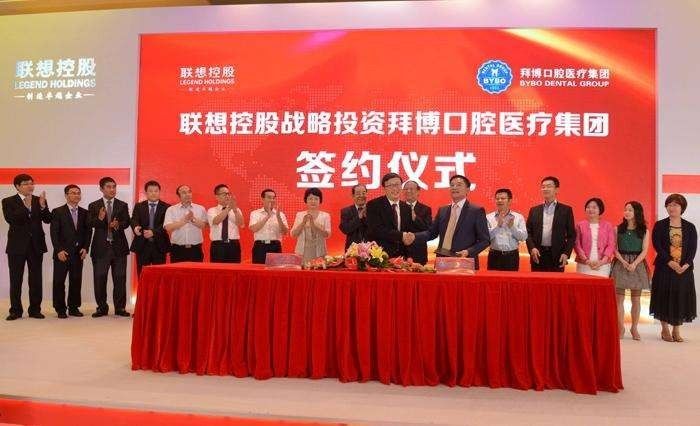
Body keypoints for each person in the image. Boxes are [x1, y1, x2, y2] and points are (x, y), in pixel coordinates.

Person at [2, 173, 52, 320]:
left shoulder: (39, 200)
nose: (30, 186)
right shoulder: (8, 201)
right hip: (16, 246)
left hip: (36, 245)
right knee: (16, 279)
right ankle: (15, 310)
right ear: (17, 186)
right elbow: (11, 219)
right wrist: (27, 206)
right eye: (26, 183)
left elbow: (48, 219)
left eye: (31, 183)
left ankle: (35, 310)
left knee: (36, 279)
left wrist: (42, 207)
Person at [412, 175, 489, 269]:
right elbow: (431, 233)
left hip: (464, 261)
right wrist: (414, 237)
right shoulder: (443, 210)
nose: (454, 187)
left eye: (459, 185)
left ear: (468, 190)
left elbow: (485, 240)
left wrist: (468, 252)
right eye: (452, 185)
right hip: (442, 261)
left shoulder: (476, 211)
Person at [650, 193, 697, 343]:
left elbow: (693, 248)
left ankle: (676, 329)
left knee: (680, 297)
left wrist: (686, 265)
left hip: (684, 269)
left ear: (682, 207)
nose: (672, 208)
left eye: (675, 205)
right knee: (663, 296)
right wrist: (670, 262)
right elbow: (657, 245)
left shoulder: (690, 227)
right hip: (664, 267)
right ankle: (664, 329)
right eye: (669, 205)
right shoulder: (660, 225)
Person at [87, 177, 130, 317]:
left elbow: (126, 222)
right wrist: (100, 218)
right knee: (100, 278)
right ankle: (101, 307)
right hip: (100, 248)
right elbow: (89, 223)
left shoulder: (122, 205)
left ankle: (120, 308)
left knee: (120, 278)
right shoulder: (94, 205)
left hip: (119, 248)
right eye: (109, 187)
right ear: (101, 189)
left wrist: (118, 225)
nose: (112, 189)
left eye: (114, 187)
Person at [610, 201, 650, 340]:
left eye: (630, 210)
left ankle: (634, 328)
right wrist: (623, 261)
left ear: (637, 212)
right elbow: (614, 249)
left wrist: (634, 263)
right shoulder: (617, 229)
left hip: (637, 265)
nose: (627, 212)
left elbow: (645, 250)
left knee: (636, 299)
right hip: (620, 263)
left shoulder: (644, 230)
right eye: (625, 209)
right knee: (619, 299)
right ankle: (620, 328)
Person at [50, 184, 90, 318]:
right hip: (62, 253)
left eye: (78, 193)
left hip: (78, 253)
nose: (76, 195)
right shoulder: (57, 211)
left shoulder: (85, 212)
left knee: (76, 281)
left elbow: (88, 232)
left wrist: (86, 247)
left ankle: (73, 307)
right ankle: (60, 308)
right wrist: (58, 250)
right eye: (73, 193)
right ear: (66, 195)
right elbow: (54, 233)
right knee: (59, 282)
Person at [526, 176, 576, 272]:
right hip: (537, 255)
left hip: (558, 256)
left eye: (549, 186)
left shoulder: (566, 210)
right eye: (543, 187)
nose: (545, 189)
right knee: (537, 281)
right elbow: (528, 232)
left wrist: (566, 253)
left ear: (557, 190)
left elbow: (571, 235)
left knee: (555, 281)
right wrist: (532, 248)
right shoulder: (534, 210)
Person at [366, 173, 414, 258]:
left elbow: (407, 231)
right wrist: (401, 236)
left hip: (401, 257)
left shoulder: (406, 207)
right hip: (380, 256)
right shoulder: (373, 205)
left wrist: (409, 238)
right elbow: (376, 230)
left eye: (397, 185)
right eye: (391, 186)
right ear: (384, 188)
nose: (395, 188)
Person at [130, 180, 170, 275]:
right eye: (151, 191)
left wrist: (153, 232)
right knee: (142, 274)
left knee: (159, 275)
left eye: (156, 191)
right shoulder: (139, 206)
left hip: (159, 245)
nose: (153, 193)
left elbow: (166, 224)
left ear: (159, 192)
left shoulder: (167, 207)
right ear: (146, 192)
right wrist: (135, 227)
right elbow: (134, 219)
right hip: (142, 245)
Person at [485, 188, 527, 271]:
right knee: (493, 278)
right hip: (494, 255)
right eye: (497, 198)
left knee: (511, 279)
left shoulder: (518, 217)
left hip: (512, 256)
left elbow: (523, 237)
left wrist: (512, 227)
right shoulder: (488, 217)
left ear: (510, 201)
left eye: (503, 198)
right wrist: (498, 226)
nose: (499, 201)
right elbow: (486, 238)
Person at [163, 185, 207, 263]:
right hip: (177, 250)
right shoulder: (171, 209)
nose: (187, 194)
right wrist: (184, 221)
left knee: (196, 271)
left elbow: (205, 226)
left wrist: (193, 219)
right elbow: (168, 227)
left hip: (195, 250)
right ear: (179, 195)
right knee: (177, 271)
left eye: (189, 192)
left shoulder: (200, 208)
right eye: (184, 193)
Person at [574, 198, 616, 277]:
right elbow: (577, 244)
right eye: (588, 207)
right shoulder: (579, 225)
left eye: (594, 207)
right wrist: (586, 261)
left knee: (601, 284)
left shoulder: (608, 226)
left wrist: (602, 262)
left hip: (603, 266)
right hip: (584, 265)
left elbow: (611, 245)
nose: (590, 209)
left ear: (600, 209)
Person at [291, 188, 331, 263]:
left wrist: (314, 224)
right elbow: (293, 234)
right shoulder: (300, 215)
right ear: (306, 200)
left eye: (316, 199)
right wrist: (303, 222)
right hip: (302, 252)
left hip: (320, 253)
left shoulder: (325, 216)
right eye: (310, 198)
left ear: (320, 201)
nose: (313, 201)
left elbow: (327, 235)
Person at [249, 189, 289, 264]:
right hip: (260, 247)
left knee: (275, 270)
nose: (272, 200)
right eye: (269, 197)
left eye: (273, 198)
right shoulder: (255, 213)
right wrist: (268, 216)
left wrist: (278, 217)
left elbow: (285, 232)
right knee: (258, 270)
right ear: (262, 199)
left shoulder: (280, 214)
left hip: (275, 246)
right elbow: (254, 229)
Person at [207, 184, 244, 263]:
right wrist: (228, 208)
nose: (227, 196)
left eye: (228, 194)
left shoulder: (236, 210)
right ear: (216, 196)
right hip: (218, 246)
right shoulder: (212, 210)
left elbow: (241, 224)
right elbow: (216, 221)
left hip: (233, 245)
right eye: (224, 194)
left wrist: (235, 210)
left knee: (234, 269)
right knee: (217, 269)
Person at [403, 180, 432, 265]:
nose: (408, 191)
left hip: (418, 253)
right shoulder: (398, 207)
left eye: (411, 189)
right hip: (401, 253)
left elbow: (428, 229)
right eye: (406, 189)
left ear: (418, 191)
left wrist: (415, 218)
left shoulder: (426, 209)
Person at [339, 184, 369, 250]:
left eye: (363, 193)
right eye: (358, 193)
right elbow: (345, 229)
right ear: (353, 196)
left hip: (371, 249)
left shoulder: (373, 209)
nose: (361, 195)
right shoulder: (346, 211)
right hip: (352, 250)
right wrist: (359, 217)